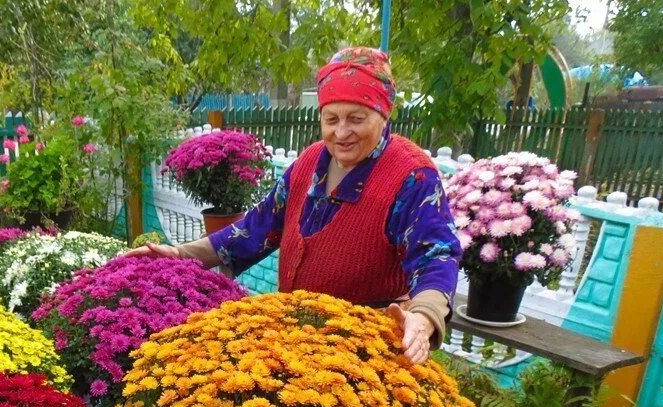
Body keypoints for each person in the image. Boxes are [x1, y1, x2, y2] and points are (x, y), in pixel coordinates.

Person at [126, 47, 461, 364]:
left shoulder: (412, 176)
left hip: (367, 352)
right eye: (331, 119)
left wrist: (424, 315)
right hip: (296, 340)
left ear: (382, 116)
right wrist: (182, 256)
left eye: (356, 118)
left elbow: (436, 252)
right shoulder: (310, 161)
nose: (342, 132)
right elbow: (257, 227)